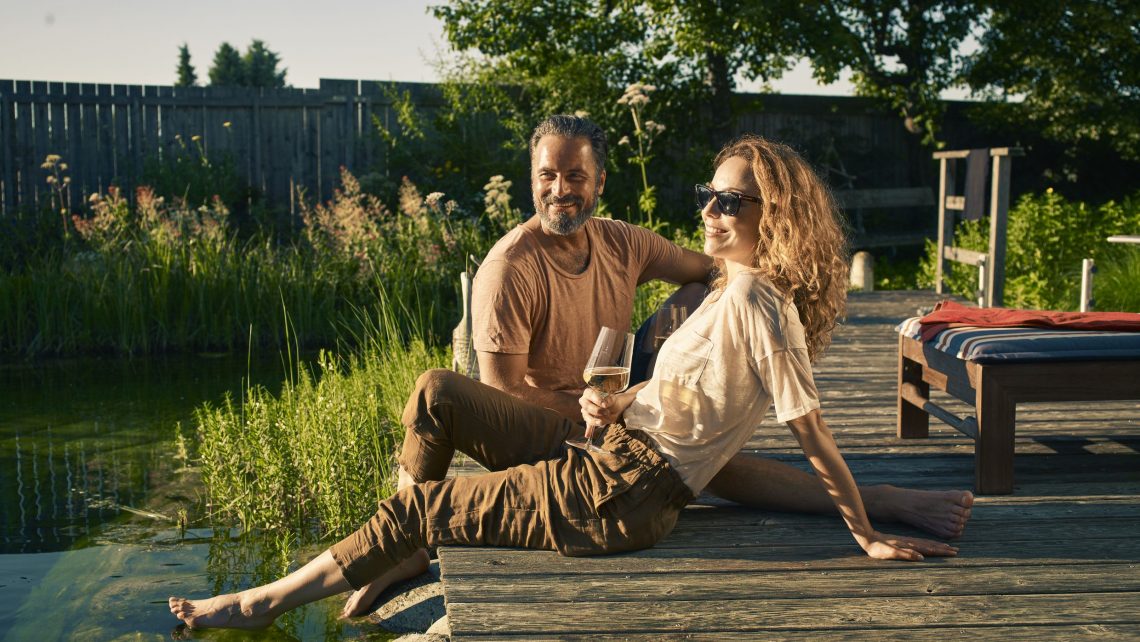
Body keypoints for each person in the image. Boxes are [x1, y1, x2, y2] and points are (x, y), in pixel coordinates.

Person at [168, 134, 971, 632]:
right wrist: (616, 400)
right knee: (434, 415)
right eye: (707, 197)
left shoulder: (759, 304)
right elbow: (690, 402)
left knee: (419, 506)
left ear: (776, 212)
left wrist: (862, 529)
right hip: (613, 455)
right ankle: (399, 551)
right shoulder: (729, 289)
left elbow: (811, 431)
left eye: (731, 202)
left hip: (621, 491)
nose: (710, 214)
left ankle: (254, 604)